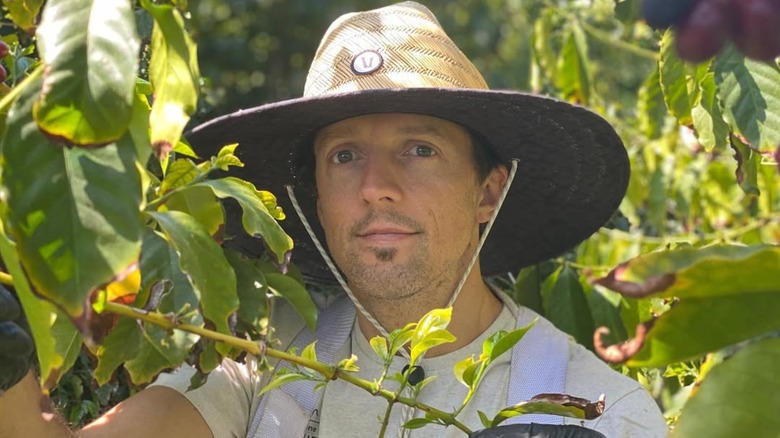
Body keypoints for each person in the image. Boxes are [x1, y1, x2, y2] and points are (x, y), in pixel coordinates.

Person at [0, 2, 668, 437]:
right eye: (345, 156)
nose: (376, 188)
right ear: (314, 199)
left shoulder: (598, 408)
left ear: (489, 189)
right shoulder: (270, 358)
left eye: (419, 149)